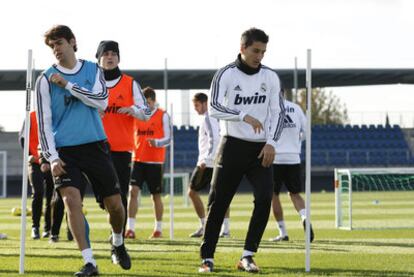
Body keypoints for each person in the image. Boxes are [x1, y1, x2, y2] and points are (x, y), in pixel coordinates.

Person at [35, 25, 131, 276]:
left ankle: (118, 241)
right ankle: (89, 262)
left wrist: (67, 85)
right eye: (52, 45)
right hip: (65, 150)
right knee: (70, 201)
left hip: (95, 144)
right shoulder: (44, 80)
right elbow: (43, 122)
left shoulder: (93, 69)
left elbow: (101, 100)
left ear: (72, 42)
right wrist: (52, 157)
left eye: (59, 43)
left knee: (116, 205)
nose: (56, 49)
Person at [198, 27, 285, 273]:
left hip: (260, 149)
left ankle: (247, 255)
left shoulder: (270, 77)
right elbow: (214, 108)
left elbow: (278, 113)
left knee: (265, 197)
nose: (260, 56)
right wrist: (243, 116)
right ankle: (207, 258)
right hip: (232, 146)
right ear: (243, 48)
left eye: (263, 52)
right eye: (256, 51)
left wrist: (272, 143)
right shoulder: (225, 74)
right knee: (218, 201)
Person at [96, 40, 150, 235]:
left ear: (118, 58)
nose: (110, 57)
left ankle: (118, 238)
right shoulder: (91, 83)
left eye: (113, 53)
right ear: (99, 57)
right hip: (94, 147)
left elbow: (146, 112)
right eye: (106, 53)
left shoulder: (130, 83)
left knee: (119, 195)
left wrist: (132, 109)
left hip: (121, 149)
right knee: (103, 197)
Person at [125, 87, 171, 239]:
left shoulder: (163, 115)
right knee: (133, 192)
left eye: (148, 103)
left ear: (153, 101)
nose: (146, 106)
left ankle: (158, 229)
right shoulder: (136, 115)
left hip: (155, 162)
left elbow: (169, 138)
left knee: (155, 195)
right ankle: (130, 229)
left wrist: (156, 142)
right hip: (137, 159)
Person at [269, 96, 314, 243]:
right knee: (294, 194)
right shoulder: (296, 108)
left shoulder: (270, 109)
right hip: (293, 157)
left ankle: (283, 232)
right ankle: (304, 216)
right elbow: (307, 132)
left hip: (275, 157)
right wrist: (296, 141)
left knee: (273, 194)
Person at [188, 92, 230, 238]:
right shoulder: (215, 116)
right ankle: (224, 229)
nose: (195, 109)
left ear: (205, 103)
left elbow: (214, 139)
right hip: (216, 160)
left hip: (209, 162)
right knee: (221, 193)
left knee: (192, 192)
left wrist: (206, 159)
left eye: (197, 105)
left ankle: (205, 225)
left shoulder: (208, 117)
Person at [19, 111, 54, 240]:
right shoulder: (31, 116)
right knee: (38, 192)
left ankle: (48, 228)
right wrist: (28, 155)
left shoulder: (53, 113)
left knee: (51, 196)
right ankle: (35, 227)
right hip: (35, 162)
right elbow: (23, 138)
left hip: (51, 161)